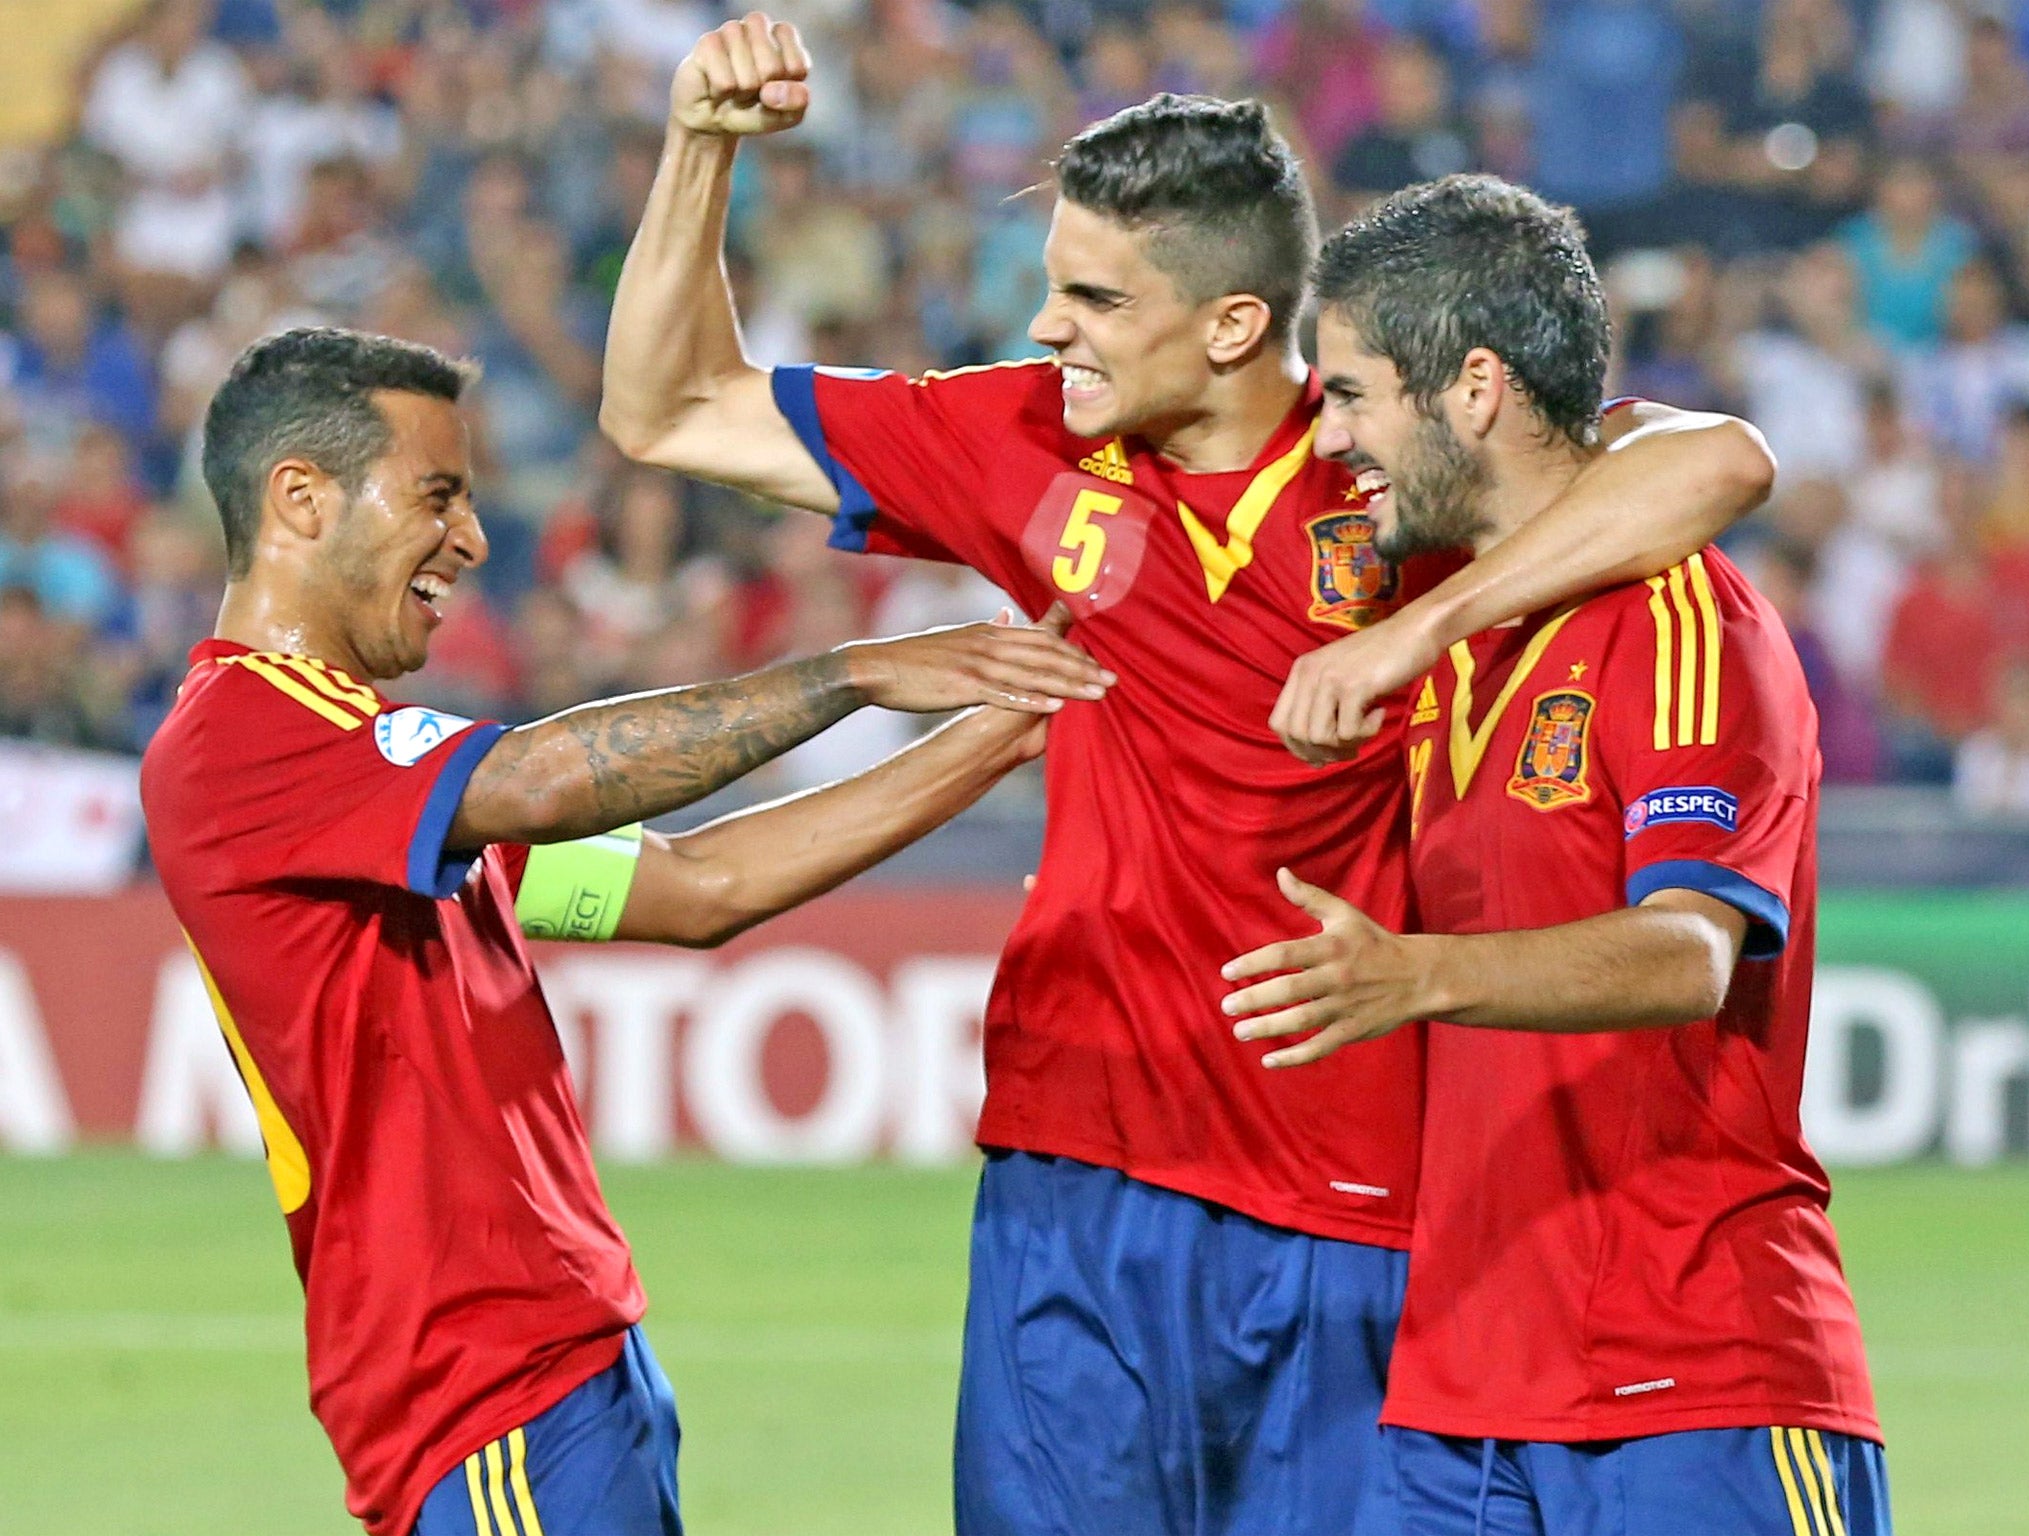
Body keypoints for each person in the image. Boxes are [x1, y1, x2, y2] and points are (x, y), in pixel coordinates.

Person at [599, 16, 1775, 1532]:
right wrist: (700, 148)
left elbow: (1717, 460)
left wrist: (1416, 629)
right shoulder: (1017, 440)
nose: (1045, 331)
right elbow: (668, 408)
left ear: (1229, 325)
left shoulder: (1386, 460)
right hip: (1071, 1168)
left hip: (1345, 1193)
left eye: (1093, 298)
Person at [139, 326, 1114, 1536]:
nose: (472, 541)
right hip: (475, 1393)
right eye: (438, 495)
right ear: (299, 497)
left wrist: (1002, 733)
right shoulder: (243, 737)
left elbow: (699, 886)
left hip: (571, 1372)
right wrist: (856, 674)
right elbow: (548, 780)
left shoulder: (375, 775)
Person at [1222, 176, 1887, 1536]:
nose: (1331, 439)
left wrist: (1417, 976)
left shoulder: (1685, 620)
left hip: (1696, 1378)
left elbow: (1691, 952)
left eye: (1352, 397)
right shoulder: (1444, 608)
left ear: (1473, 388)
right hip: (1453, 1394)